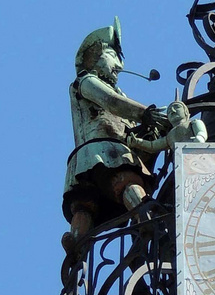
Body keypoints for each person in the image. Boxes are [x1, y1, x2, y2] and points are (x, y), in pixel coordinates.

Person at [63, 20, 166, 252]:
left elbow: (133, 135)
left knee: (86, 204)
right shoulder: (86, 81)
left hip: (94, 158)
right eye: (112, 55)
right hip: (102, 152)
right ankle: (144, 214)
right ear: (94, 56)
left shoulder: (116, 90)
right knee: (125, 182)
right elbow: (112, 102)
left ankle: (77, 244)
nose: (119, 65)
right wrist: (146, 114)